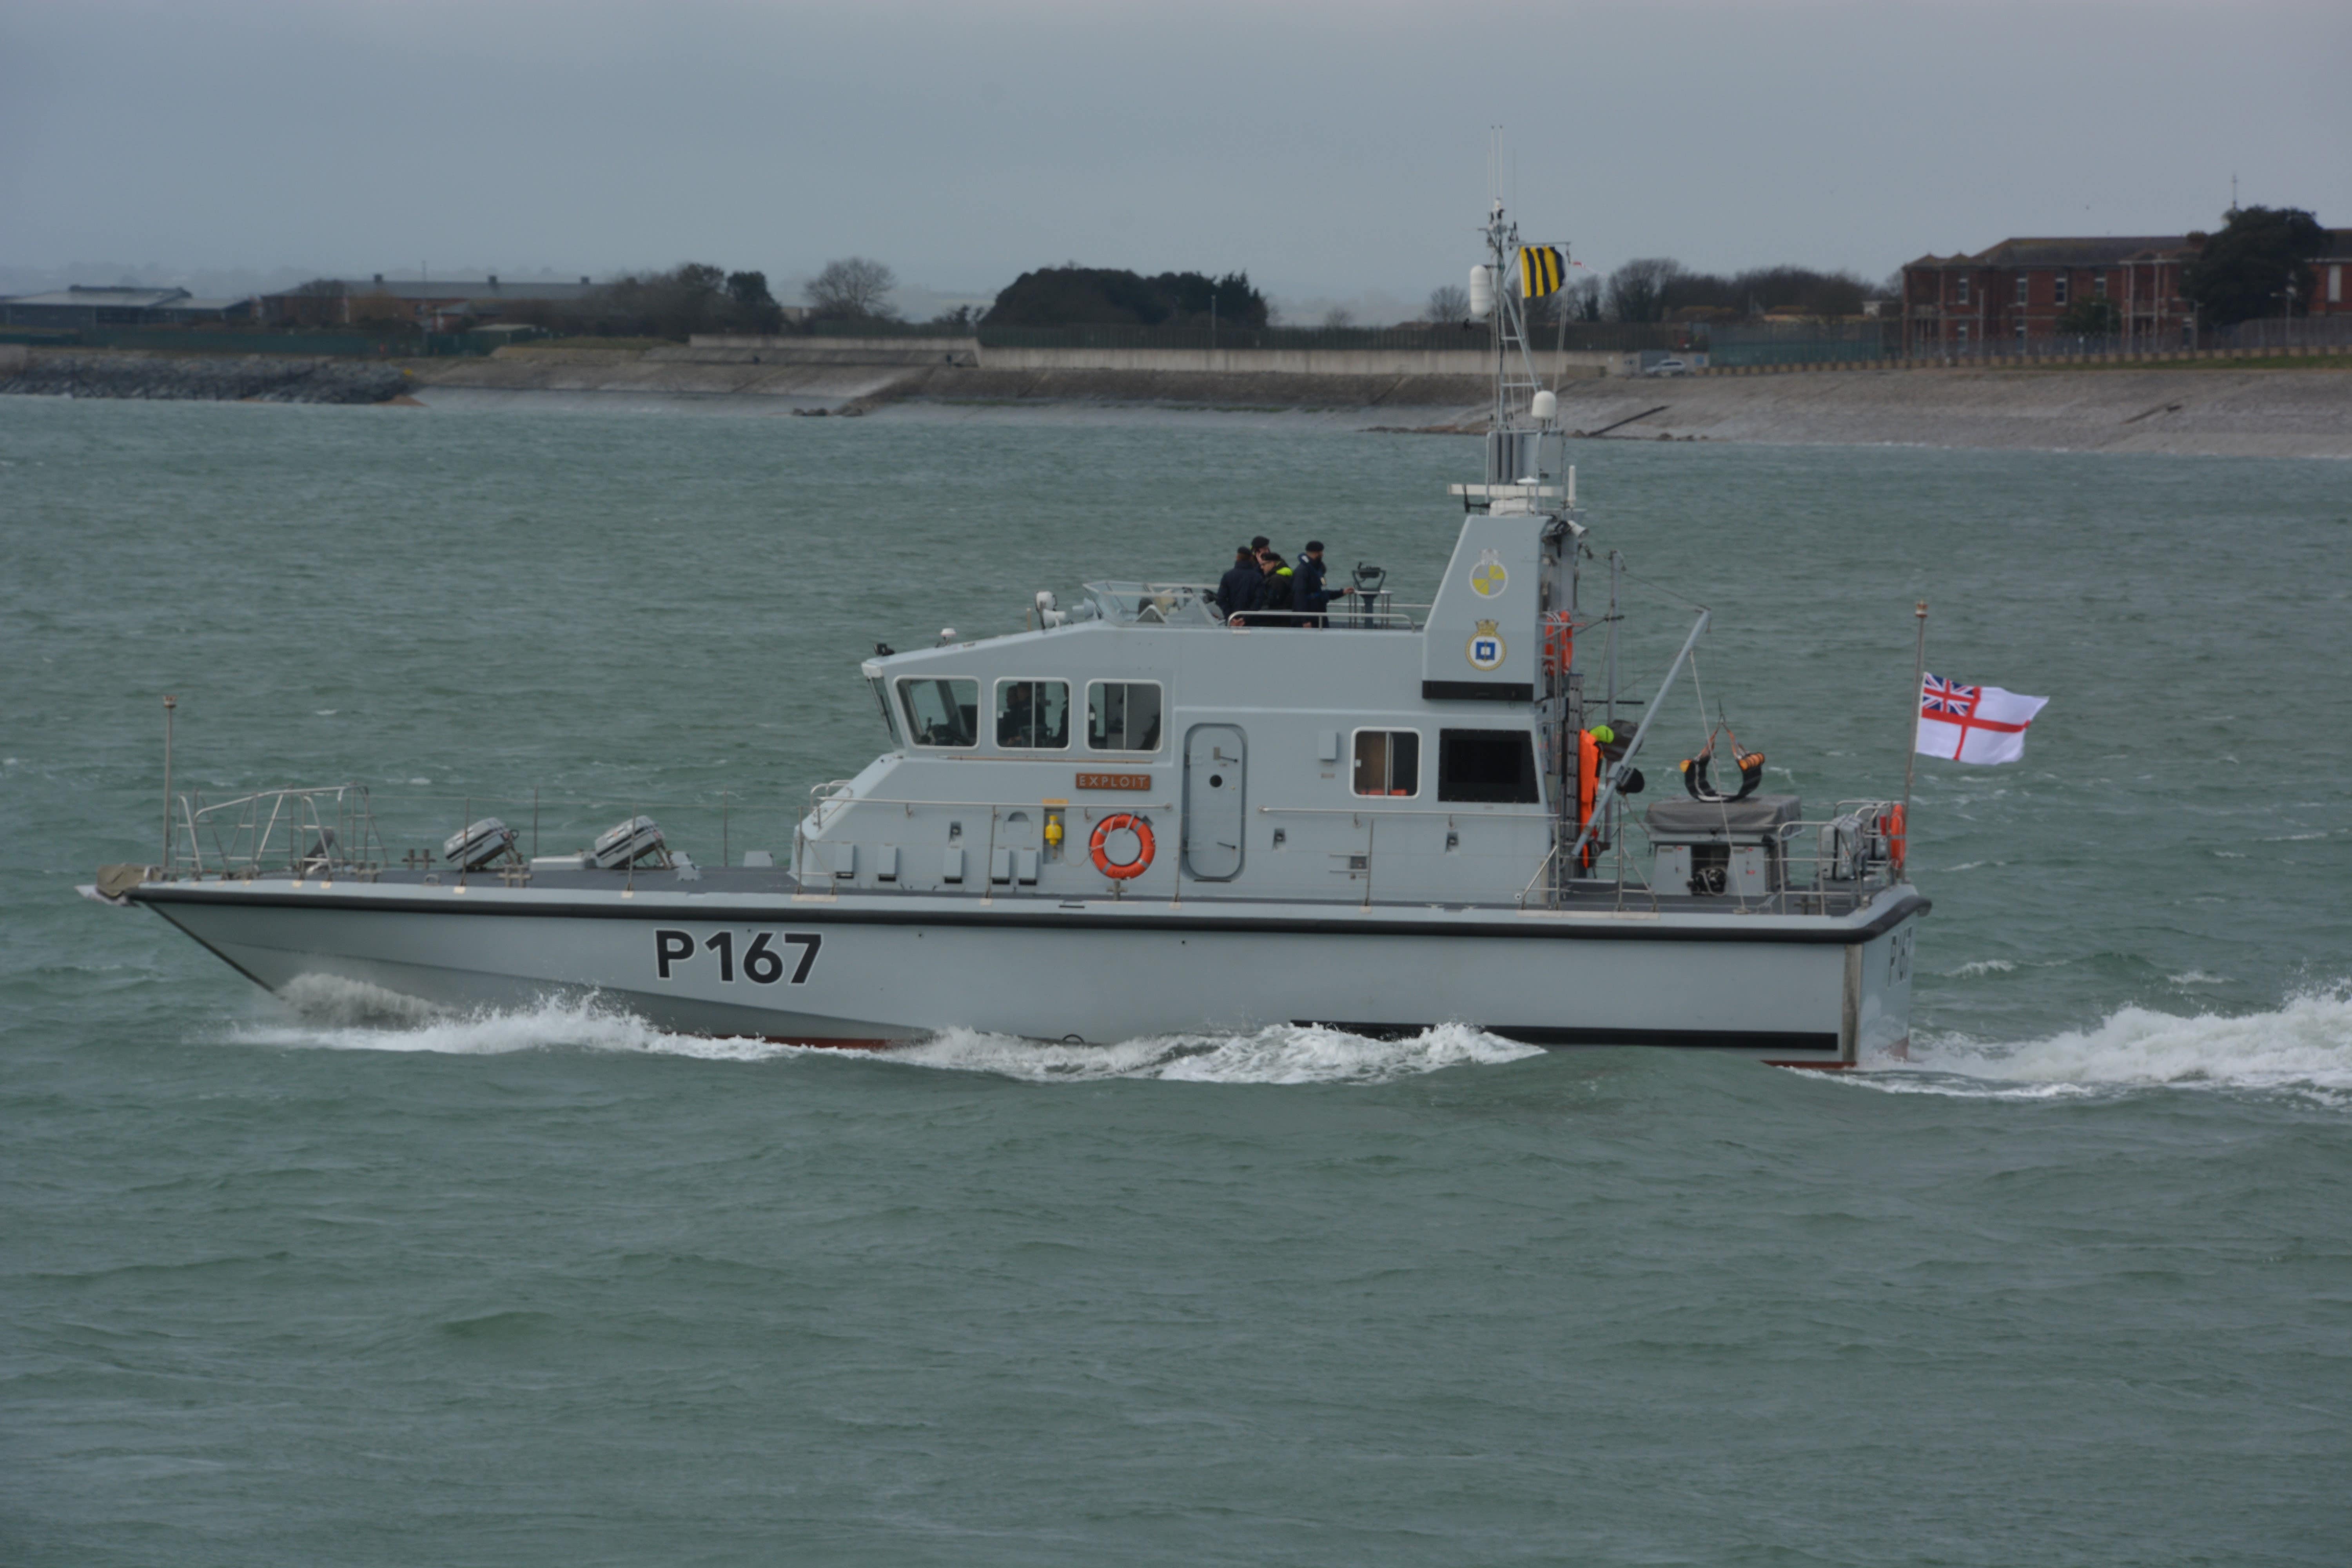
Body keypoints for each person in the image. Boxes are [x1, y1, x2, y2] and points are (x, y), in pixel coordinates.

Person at [1293, 540, 1354, 627]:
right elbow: (1299, 597)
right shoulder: (1302, 572)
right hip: (1309, 618)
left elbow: (1323, 592)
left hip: (1320, 614)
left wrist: (1342, 592)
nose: (1323, 555)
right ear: (1317, 553)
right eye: (1322, 552)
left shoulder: (1318, 571)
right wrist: (1305, 620)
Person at [1251, 549, 1296, 624]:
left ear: (1272, 564)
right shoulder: (1283, 574)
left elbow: (1273, 602)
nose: (1262, 568)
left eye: (1264, 565)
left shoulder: (1276, 580)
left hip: (1277, 619)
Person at [1216, 546, 1259, 620]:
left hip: (1232, 620)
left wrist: (1230, 617)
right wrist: (1245, 619)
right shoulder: (1257, 577)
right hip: (1252, 622)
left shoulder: (1228, 576)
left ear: (1237, 558)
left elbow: (1221, 599)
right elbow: (1259, 600)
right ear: (1251, 559)